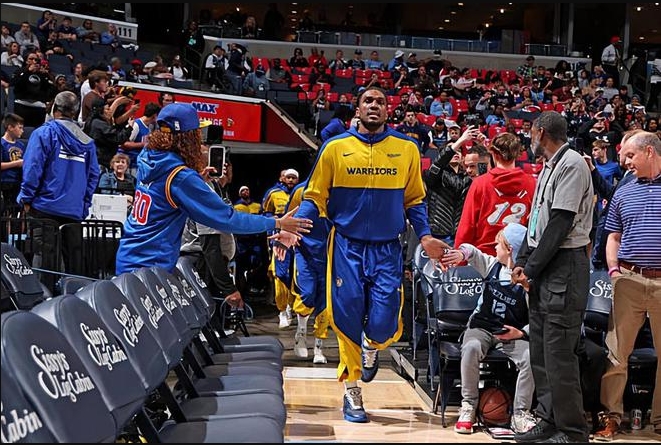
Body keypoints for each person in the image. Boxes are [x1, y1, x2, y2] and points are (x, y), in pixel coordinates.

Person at [294, 86, 449, 423]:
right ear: (358, 109)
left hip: (387, 247)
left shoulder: (406, 148)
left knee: (384, 324)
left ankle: (371, 346)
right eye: (368, 100)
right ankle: (352, 391)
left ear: (387, 110)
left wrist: (425, 236)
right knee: (346, 317)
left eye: (380, 101)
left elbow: (415, 200)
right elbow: (315, 196)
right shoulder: (335, 148)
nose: (374, 105)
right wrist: (296, 225)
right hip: (346, 245)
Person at [115, 103, 311, 275]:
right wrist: (277, 223)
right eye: (197, 132)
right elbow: (228, 220)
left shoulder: (148, 156)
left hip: (128, 254)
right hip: (149, 266)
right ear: (188, 137)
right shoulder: (181, 178)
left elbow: (162, 194)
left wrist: (196, 181)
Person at [511, 111, 594, 443]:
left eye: (531, 132)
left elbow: (560, 223)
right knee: (541, 353)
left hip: (565, 265)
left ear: (541, 132)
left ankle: (572, 432)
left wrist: (530, 269)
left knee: (559, 356)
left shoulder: (572, 164)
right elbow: (535, 221)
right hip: (545, 263)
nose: (529, 138)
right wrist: (522, 260)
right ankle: (547, 420)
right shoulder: (549, 165)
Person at [594, 130, 661, 441]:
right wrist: (613, 271)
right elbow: (613, 236)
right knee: (616, 354)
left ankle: (659, 420)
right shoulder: (624, 191)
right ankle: (611, 416)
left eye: (630, 156)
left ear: (650, 152)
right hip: (628, 280)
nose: (625, 162)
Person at [441, 223, 537, 435]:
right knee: (471, 347)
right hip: (482, 328)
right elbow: (472, 251)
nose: (494, 246)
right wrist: (461, 253)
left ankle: (521, 413)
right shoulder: (492, 265)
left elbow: (539, 317)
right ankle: (468, 406)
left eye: (499, 243)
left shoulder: (528, 282)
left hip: (510, 333)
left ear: (510, 249)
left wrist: (522, 333)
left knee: (530, 357)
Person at [16, 91, 100, 275]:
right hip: (74, 211)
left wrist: (26, 198)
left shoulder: (43, 133)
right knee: (73, 265)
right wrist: (83, 205)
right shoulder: (88, 142)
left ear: (54, 107)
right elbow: (94, 175)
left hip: (44, 209)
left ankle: (45, 294)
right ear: (75, 112)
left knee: (44, 263)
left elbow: (33, 168)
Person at [454, 132, 537, 257]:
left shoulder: (480, 183)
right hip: (518, 256)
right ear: (517, 154)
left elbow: (467, 225)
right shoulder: (532, 183)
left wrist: (460, 257)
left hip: (485, 257)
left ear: (493, 154)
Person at [285, 178, 331, 364]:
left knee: (325, 302)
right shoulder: (301, 190)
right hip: (305, 251)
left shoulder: (342, 189)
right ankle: (301, 334)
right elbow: (288, 217)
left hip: (331, 253)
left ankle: (319, 346)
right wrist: (290, 234)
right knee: (307, 293)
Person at [262, 168, 300, 328]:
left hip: (298, 238)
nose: (290, 180)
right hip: (280, 238)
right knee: (280, 273)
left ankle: (291, 306)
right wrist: (272, 230)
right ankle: (282, 310)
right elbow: (266, 213)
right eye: (288, 177)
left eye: (293, 177)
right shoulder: (273, 193)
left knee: (297, 274)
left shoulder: (302, 192)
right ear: (282, 178)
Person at [1, 113, 25, 220]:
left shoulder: (21, 145)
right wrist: (17, 163)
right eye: (20, 128)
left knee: (16, 212)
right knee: (5, 211)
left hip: (18, 182)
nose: (22, 131)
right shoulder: (2, 144)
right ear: (10, 127)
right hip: (5, 182)